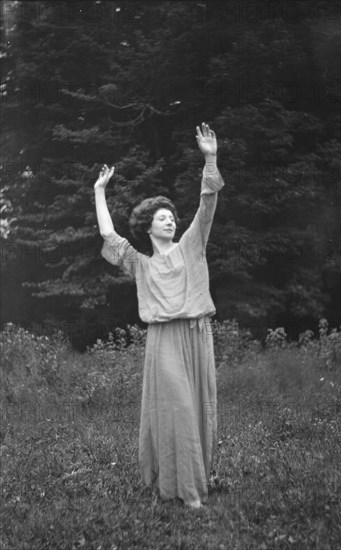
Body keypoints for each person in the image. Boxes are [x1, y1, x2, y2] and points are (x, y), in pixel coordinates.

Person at [94, 123, 225, 508]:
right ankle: (186, 492)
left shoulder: (191, 245)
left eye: (172, 216)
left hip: (197, 334)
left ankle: (194, 477)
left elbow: (207, 204)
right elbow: (107, 234)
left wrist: (210, 157)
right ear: (148, 227)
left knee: (199, 407)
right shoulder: (139, 263)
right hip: (164, 340)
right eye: (163, 217)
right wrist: (99, 191)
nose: (171, 220)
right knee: (179, 408)